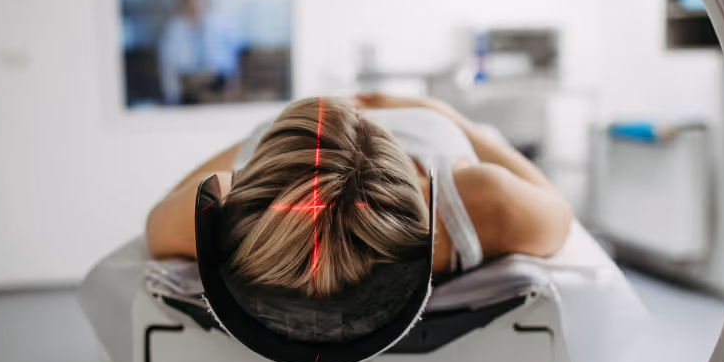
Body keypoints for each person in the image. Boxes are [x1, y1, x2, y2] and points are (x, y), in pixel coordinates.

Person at [146, 94, 572, 296]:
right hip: (409, 124)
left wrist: (264, 140)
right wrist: (448, 115)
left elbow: (159, 216)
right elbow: (557, 208)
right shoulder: (480, 201)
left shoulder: (216, 212)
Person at [156, 0, 244, 105]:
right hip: (188, 94)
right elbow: (168, 70)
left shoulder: (221, 26)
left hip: (217, 91)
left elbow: (231, 65)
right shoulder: (174, 31)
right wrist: (174, 99)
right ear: (185, 1)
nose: (196, 4)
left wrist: (230, 90)